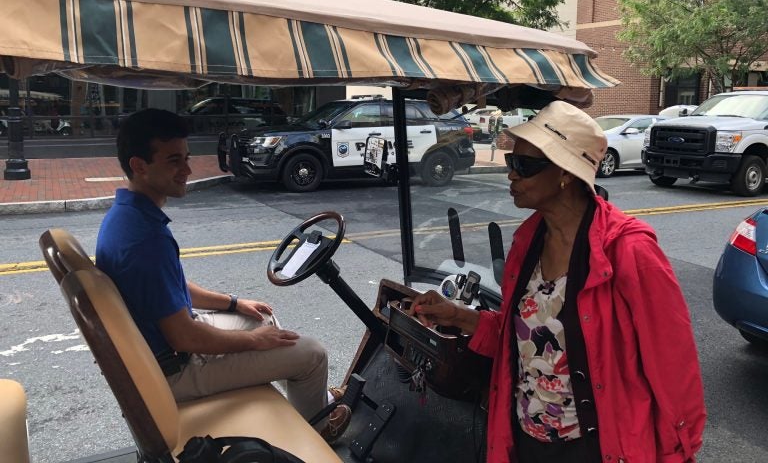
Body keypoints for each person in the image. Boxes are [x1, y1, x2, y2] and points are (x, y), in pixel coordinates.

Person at [408, 100, 705, 463]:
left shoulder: (629, 251)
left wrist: (680, 451)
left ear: (565, 173)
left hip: (596, 448)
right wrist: (457, 316)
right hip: (526, 440)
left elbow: (674, 366)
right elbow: (528, 336)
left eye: (524, 165)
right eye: (510, 163)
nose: (511, 175)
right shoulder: (527, 241)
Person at [95, 108, 350, 444]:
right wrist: (254, 342)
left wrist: (234, 303)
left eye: (186, 158)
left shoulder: (129, 216)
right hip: (174, 370)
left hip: (164, 350)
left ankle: (307, 406)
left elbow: (172, 287)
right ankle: (320, 432)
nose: (187, 170)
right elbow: (185, 338)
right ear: (139, 166)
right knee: (312, 355)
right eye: (174, 161)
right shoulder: (144, 238)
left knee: (262, 317)